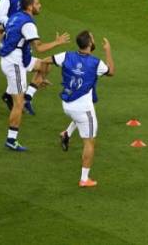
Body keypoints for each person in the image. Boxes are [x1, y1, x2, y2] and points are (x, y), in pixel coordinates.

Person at [43, 31, 115, 187]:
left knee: (82, 115)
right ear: (89, 44)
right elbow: (111, 71)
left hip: (67, 105)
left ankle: (66, 133)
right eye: (93, 38)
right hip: (83, 109)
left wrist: (41, 78)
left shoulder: (66, 56)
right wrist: (108, 50)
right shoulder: (96, 63)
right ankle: (84, 179)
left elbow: (45, 60)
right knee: (89, 142)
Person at [0, 0, 70, 151]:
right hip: (15, 64)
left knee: (45, 65)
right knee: (18, 104)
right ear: (30, 7)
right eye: (37, 3)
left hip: (19, 58)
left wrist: (6, 45)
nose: (40, 5)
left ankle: (28, 97)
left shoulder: (15, 16)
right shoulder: (28, 24)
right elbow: (40, 47)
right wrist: (58, 42)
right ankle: (11, 140)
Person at [0, 0, 43, 113]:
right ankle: (15, 97)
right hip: (5, 32)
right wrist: (14, 24)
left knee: (22, 60)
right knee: (13, 61)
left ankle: (13, 95)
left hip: (18, 32)